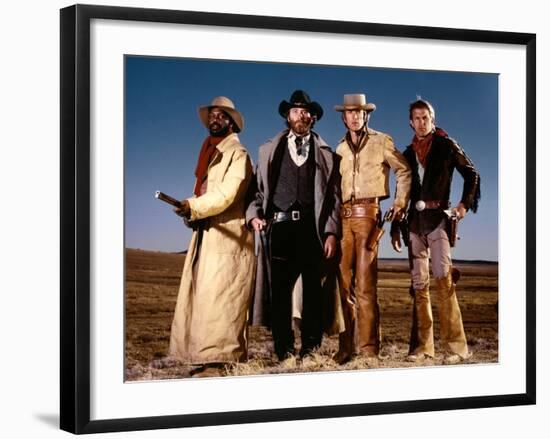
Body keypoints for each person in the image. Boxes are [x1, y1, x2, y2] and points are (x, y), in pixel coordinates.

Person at [246, 90, 342, 362]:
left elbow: (334, 197)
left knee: (313, 291)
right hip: (279, 228)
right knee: (280, 294)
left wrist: (331, 232)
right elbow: (255, 191)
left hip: (312, 230)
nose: (302, 115)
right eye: (296, 110)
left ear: (313, 117)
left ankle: (311, 349)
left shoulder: (327, 155)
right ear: (287, 116)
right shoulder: (268, 151)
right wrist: (254, 216)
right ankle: (283, 350)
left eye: (306, 111)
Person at [169, 96, 255, 377]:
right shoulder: (209, 154)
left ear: (231, 121)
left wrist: (194, 206)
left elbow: (226, 195)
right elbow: (207, 194)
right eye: (212, 115)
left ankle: (221, 362)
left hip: (229, 236)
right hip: (209, 233)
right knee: (205, 297)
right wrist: (190, 209)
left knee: (223, 298)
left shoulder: (238, 155)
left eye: (220, 115)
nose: (214, 119)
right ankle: (205, 359)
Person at [391, 98, 480, 365]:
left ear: (433, 119)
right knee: (419, 285)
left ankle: (457, 348)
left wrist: (463, 206)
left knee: (443, 280)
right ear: (410, 122)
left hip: (439, 220)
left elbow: (472, 174)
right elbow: (402, 193)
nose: (421, 123)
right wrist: (396, 226)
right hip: (414, 224)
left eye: (425, 118)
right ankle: (422, 348)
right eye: (416, 118)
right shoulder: (407, 153)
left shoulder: (446, 145)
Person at [332, 94, 411, 364]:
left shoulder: (381, 141)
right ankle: (346, 348)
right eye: (349, 113)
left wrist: (400, 204)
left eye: (359, 112)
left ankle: (368, 350)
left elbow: (404, 170)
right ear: (343, 117)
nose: (354, 116)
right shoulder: (339, 149)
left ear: (367, 115)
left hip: (368, 216)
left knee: (365, 286)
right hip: (343, 218)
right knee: (343, 287)